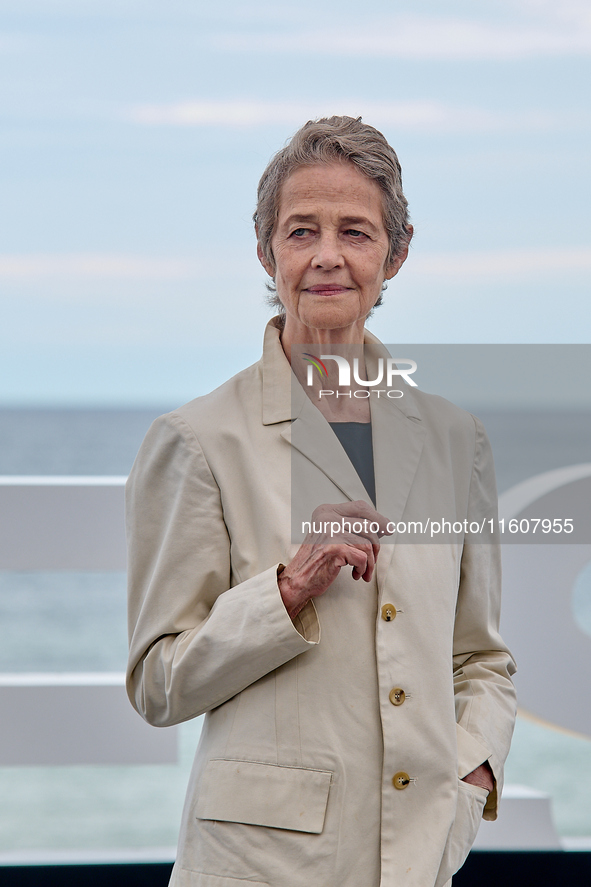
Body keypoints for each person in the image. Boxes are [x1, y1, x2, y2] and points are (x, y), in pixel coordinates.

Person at [126, 116, 517, 887]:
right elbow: (156, 681)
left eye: (356, 232)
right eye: (301, 230)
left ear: (396, 254)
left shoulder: (453, 437)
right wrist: (285, 589)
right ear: (267, 251)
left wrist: (471, 778)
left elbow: (480, 656)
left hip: (416, 859)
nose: (327, 256)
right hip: (254, 867)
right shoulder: (197, 437)